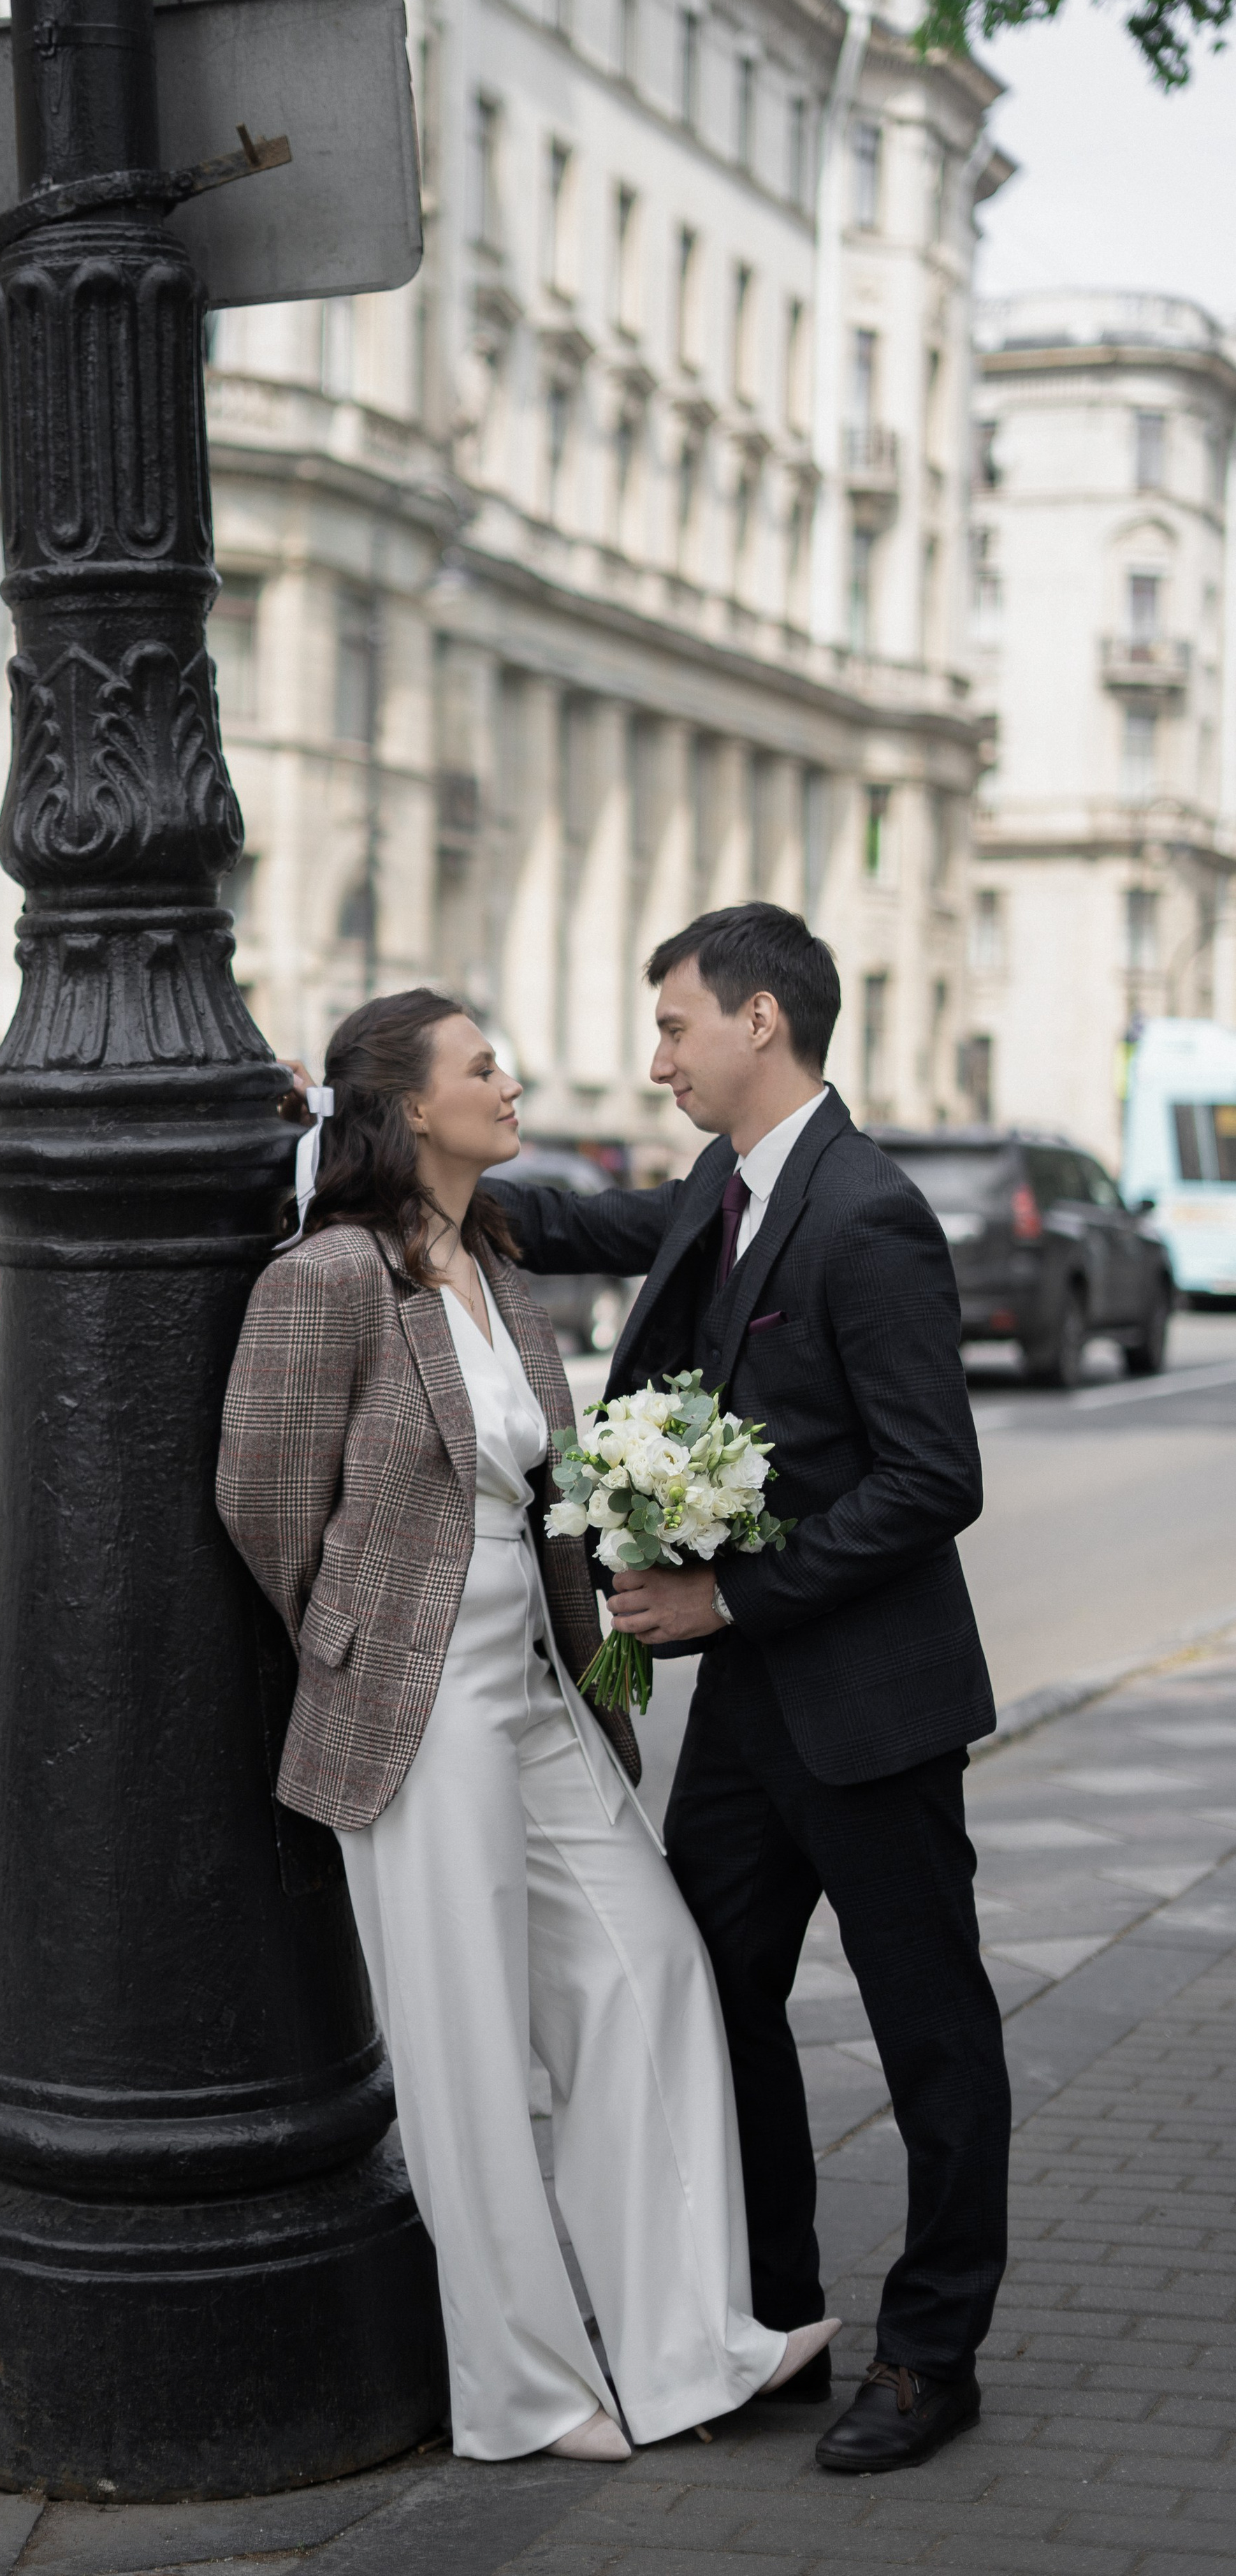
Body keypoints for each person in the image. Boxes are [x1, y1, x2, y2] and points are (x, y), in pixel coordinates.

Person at [217, 988, 837, 2465]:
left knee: (649, 1971)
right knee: (466, 2054)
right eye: (480, 1066)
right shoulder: (328, 1278)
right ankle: (526, 2392)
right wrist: (354, 1640)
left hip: (539, 1688)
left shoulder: (494, 1260)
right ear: (408, 1109)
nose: (509, 1082)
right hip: (415, 1706)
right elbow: (261, 1500)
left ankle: (691, 2347)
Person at [492, 901, 1009, 2476]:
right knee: (712, 1998)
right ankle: (778, 2317)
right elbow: (597, 1227)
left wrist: (728, 1592)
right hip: (751, 1717)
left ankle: (931, 2354)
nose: (657, 1062)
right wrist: (400, 1164)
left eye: (671, 1029)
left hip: (868, 1703)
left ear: (757, 1023)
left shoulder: (864, 1213)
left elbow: (933, 1477)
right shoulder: (727, 1183)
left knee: (930, 2034)